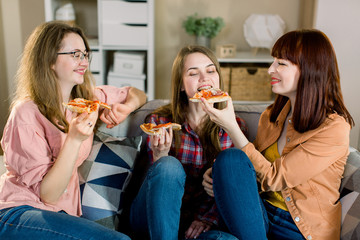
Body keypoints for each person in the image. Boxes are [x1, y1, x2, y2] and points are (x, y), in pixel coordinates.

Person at [201, 29, 354, 240]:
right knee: (229, 160)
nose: (270, 69)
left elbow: (274, 178)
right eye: (273, 61)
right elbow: (254, 170)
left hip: (299, 229)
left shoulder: (334, 128)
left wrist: (231, 127)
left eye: (281, 63)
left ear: (310, 69)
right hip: (261, 216)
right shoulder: (271, 116)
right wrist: (222, 175)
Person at [0, 21, 147, 239]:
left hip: (61, 215)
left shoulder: (87, 101)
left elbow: (136, 93)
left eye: (86, 54)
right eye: (75, 54)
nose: (84, 62)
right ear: (50, 59)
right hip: (18, 211)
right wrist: (74, 139)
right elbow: (48, 195)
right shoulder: (26, 113)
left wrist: (126, 107)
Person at [129, 45, 247, 240]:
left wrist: (207, 218)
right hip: (151, 217)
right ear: (181, 85)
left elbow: (236, 189)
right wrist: (160, 157)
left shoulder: (234, 126)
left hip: (200, 225)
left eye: (210, 70)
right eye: (193, 73)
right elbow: (153, 186)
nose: (204, 78)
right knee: (168, 165)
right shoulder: (159, 122)